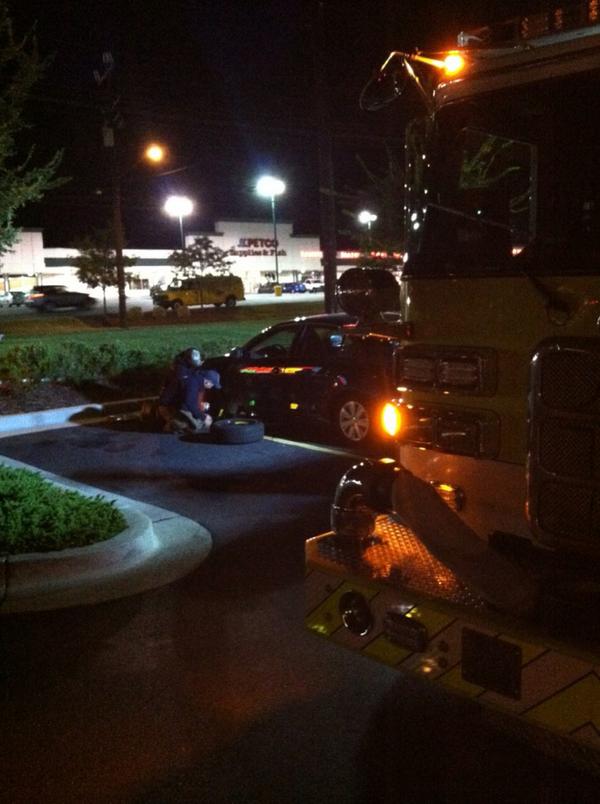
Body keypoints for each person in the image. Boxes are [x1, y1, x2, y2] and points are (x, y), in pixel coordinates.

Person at [157, 347, 221, 434]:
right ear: (207, 381)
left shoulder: (193, 377)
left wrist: (200, 408)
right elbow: (189, 402)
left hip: (175, 402)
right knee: (197, 425)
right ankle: (174, 423)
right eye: (212, 384)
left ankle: (180, 422)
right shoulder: (190, 380)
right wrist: (203, 417)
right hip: (168, 405)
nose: (211, 387)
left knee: (197, 417)